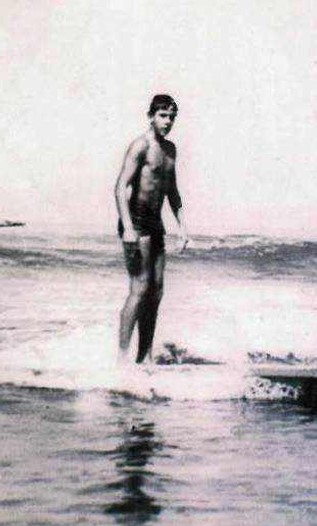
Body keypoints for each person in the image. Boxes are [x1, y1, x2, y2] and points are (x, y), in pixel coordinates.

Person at [114, 94, 189, 364]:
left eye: (172, 117)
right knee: (140, 288)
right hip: (135, 223)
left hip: (156, 224)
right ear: (151, 116)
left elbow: (173, 192)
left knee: (156, 291)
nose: (167, 121)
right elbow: (120, 188)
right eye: (162, 116)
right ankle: (122, 360)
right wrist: (127, 228)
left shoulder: (170, 150)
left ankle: (144, 358)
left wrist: (182, 228)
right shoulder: (141, 146)